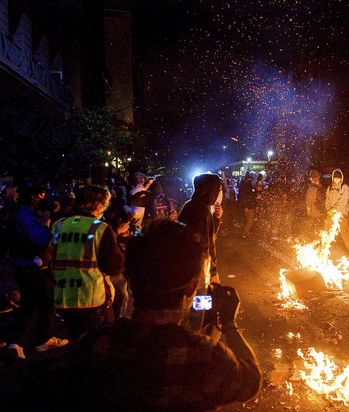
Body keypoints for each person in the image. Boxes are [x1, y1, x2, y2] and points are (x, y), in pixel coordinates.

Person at [16, 220, 262, 410]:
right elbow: (250, 382)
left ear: (131, 283)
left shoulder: (96, 344)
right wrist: (228, 323)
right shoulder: (205, 356)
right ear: (191, 287)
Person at [51, 185, 125, 339]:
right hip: (91, 297)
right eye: (103, 203)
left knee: (76, 338)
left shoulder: (59, 224)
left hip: (63, 294)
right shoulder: (100, 228)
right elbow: (114, 267)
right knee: (98, 344)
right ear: (92, 204)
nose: (104, 208)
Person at [5, 185, 68, 360]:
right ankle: (36, 341)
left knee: (33, 304)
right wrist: (47, 220)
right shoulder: (23, 216)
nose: (43, 198)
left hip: (29, 266)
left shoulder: (25, 214)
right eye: (41, 195)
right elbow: (41, 240)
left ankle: (19, 343)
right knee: (40, 302)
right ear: (33, 196)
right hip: (30, 268)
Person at [178, 173, 223, 286]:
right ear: (210, 190)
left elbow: (209, 234)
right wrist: (212, 273)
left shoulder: (194, 206)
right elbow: (203, 245)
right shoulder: (200, 210)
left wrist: (216, 219)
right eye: (218, 189)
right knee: (201, 301)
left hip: (193, 268)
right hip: (198, 271)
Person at [325, 169, 349, 259]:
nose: (337, 179)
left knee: (345, 234)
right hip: (331, 214)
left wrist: (334, 210)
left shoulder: (345, 187)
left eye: (338, 177)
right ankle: (323, 251)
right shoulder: (329, 188)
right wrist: (329, 210)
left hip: (341, 214)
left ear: (342, 178)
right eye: (335, 177)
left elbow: (343, 202)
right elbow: (327, 200)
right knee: (326, 232)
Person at [305, 170, 325, 234]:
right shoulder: (322, 187)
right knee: (322, 230)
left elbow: (308, 201)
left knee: (315, 230)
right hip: (322, 212)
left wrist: (308, 212)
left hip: (315, 213)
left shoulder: (311, 188)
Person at [238, 172, 258, 238]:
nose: (250, 181)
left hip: (251, 206)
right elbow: (243, 198)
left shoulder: (250, 186)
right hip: (247, 206)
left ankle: (246, 232)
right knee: (249, 220)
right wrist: (245, 206)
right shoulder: (243, 188)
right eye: (249, 180)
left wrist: (255, 205)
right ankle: (245, 233)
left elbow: (252, 196)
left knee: (249, 220)